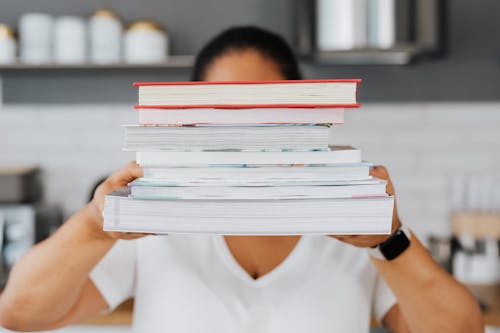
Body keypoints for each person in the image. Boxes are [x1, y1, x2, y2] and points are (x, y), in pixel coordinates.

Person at [0, 26, 482, 333]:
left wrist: (390, 241)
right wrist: (93, 225)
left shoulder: (353, 227)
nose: (244, 132)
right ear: (187, 118)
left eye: (264, 111)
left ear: (303, 114)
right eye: (223, 112)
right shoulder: (151, 220)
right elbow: (20, 313)